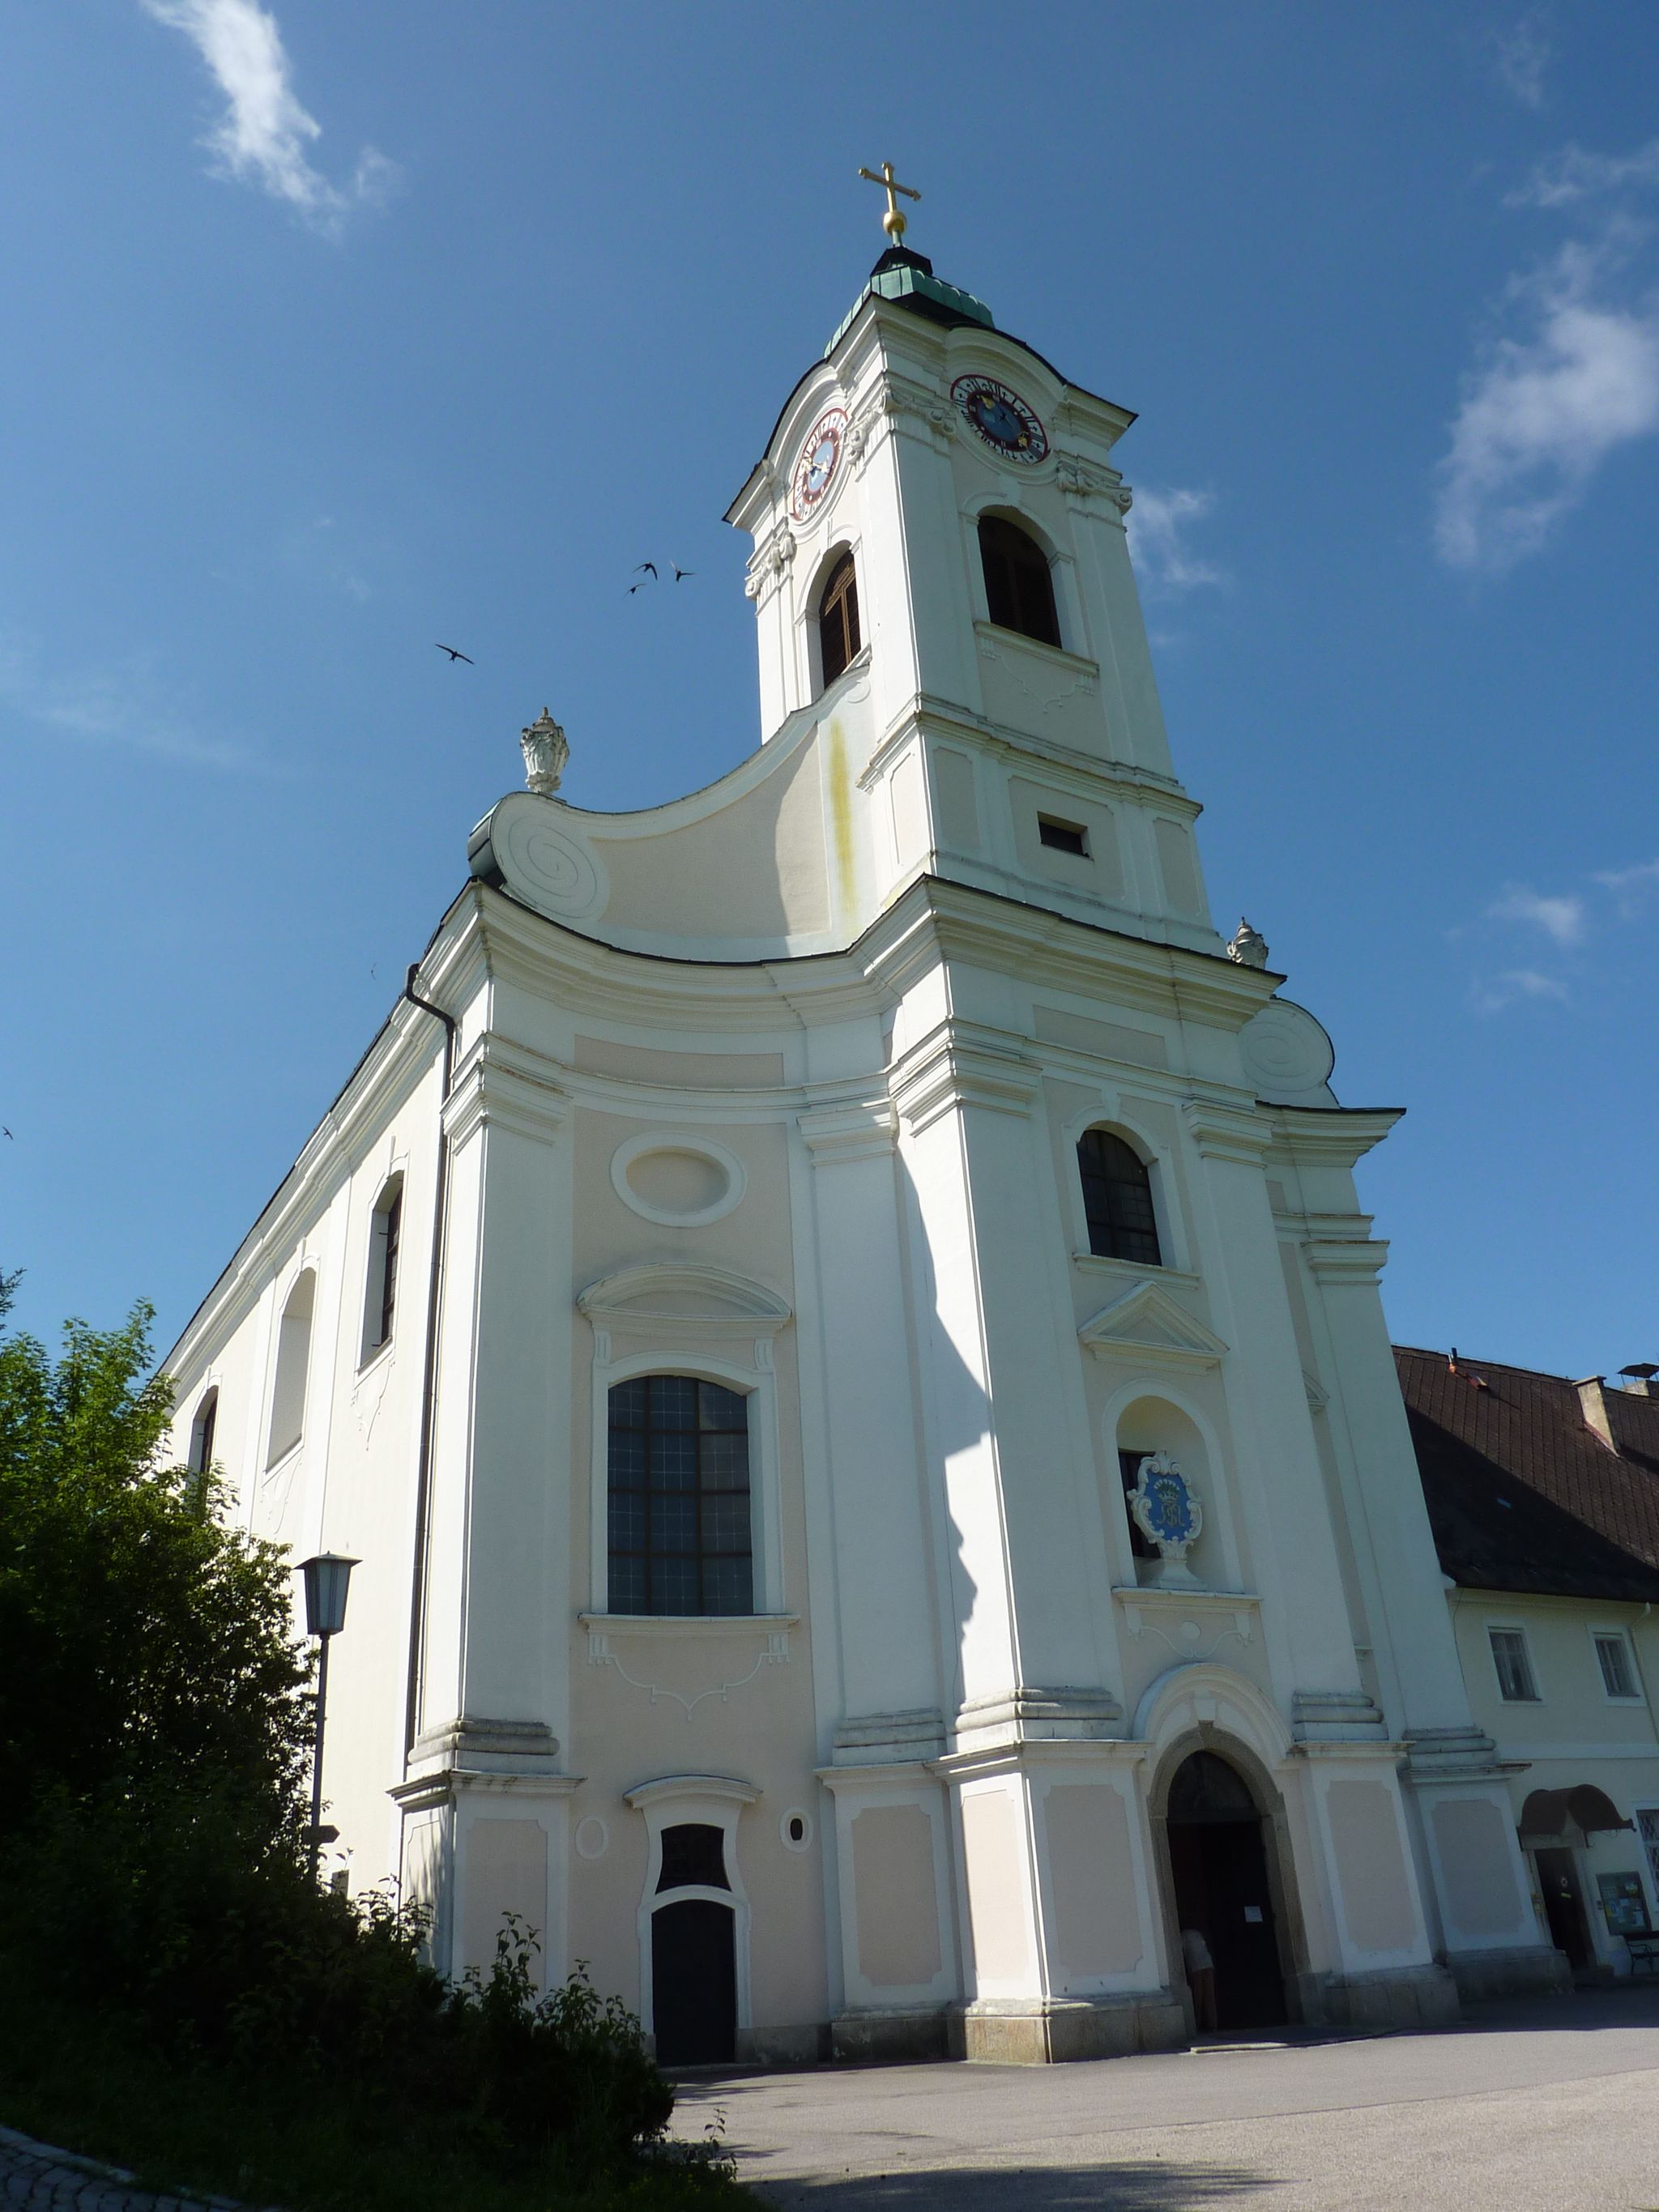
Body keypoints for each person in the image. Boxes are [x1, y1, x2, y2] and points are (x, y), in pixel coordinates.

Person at [1181, 1924, 1218, 2032]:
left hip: (1196, 1967)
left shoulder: (1182, 1936)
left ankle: (1197, 2023)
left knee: (1198, 1996)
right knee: (1210, 1995)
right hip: (1208, 1964)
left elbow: (1180, 1952)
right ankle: (1213, 2024)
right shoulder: (1197, 1933)